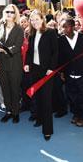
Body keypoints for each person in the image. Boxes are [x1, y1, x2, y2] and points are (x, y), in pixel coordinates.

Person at [24, 10, 58, 141]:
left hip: (47, 71)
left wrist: (51, 68)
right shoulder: (32, 34)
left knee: (46, 100)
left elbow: (55, 52)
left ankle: (47, 130)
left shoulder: (50, 32)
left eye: (36, 19)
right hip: (35, 70)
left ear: (42, 19)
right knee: (37, 97)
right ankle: (39, 119)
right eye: (32, 20)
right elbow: (29, 52)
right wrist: (27, 63)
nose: (34, 22)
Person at [58, 18, 83, 127]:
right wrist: (62, 72)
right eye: (62, 26)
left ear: (73, 26)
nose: (63, 29)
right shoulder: (61, 40)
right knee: (71, 96)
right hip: (68, 74)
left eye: (66, 26)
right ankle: (76, 113)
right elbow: (60, 58)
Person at [0, 4, 24, 123]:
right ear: (4, 13)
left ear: (15, 14)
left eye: (12, 12)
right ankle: (8, 111)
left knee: (15, 89)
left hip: (15, 64)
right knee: (5, 89)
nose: (9, 14)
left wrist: (4, 50)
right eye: (7, 12)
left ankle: (16, 112)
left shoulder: (19, 29)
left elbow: (17, 47)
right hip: (1, 64)